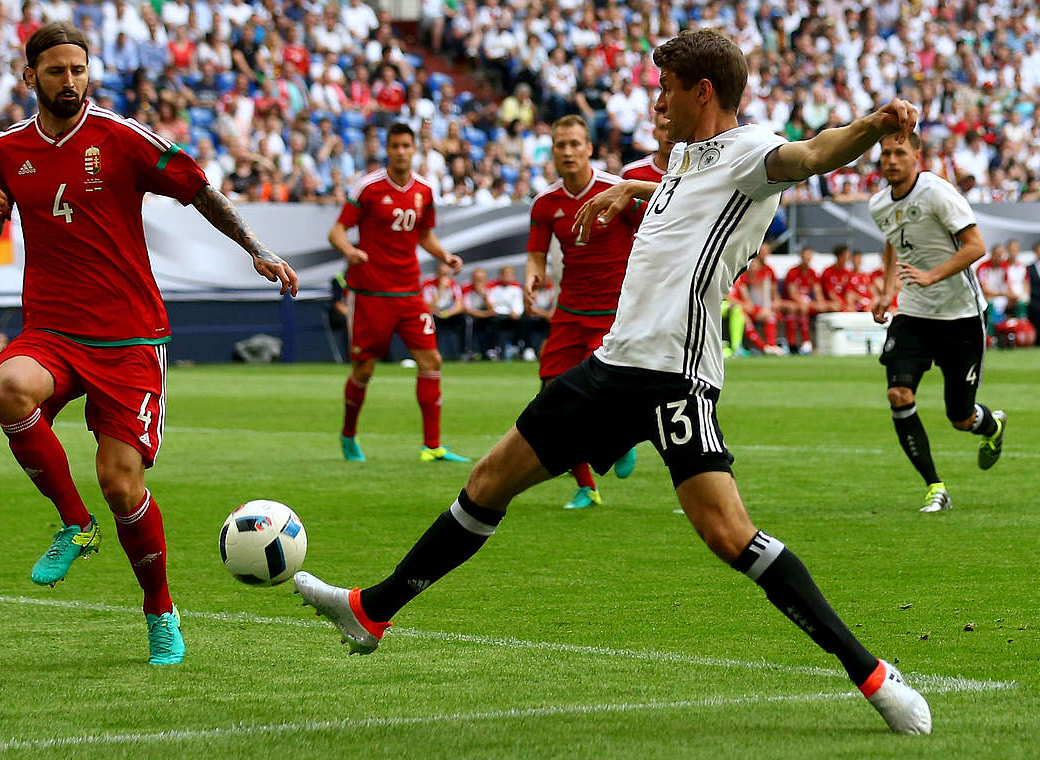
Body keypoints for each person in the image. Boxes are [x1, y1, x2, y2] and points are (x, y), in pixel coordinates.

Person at [295, 29, 932, 735]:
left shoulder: (752, 150)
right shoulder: (687, 162)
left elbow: (812, 154)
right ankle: (371, 612)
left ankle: (874, 676)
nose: (655, 97)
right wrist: (638, 183)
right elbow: (691, 198)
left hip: (672, 379)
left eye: (665, 87)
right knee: (487, 480)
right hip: (612, 366)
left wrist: (874, 126)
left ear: (703, 92)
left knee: (728, 535)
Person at [0, 23, 298, 665]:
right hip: (52, 329)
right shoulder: (6, 149)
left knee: (122, 486)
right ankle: (74, 523)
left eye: (79, 70)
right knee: (9, 387)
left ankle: (160, 613)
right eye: (56, 71)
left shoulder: (120, 137)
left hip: (130, 338)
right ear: (29, 76)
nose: (70, 82)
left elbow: (199, 188)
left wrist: (256, 248)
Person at [869, 132, 1006, 513]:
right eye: (885, 154)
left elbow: (976, 246)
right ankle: (935, 487)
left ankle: (990, 426)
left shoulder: (937, 193)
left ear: (917, 155)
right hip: (913, 314)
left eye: (899, 152)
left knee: (960, 417)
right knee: (899, 394)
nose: (891, 160)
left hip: (961, 316)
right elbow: (893, 241)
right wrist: (885, 289)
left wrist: (933, 275)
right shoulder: (879, 203)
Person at [327, 122, 470, 464]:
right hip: (371, 293)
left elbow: (424, 235)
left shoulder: (424, 189)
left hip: (409, 292)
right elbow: (337, 232)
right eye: (396, 145)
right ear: (387, 149)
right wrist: (349, 251)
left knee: (431, 361)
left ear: (413, 149)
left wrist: (444, 256)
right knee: (364, 370)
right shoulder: (368, 187)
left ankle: (432, 446)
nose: (402, 151)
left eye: (407, 145)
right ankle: (348, 435)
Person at [524, 114, 642, 509]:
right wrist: (533, 277)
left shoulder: (616, 190)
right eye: (561, 145)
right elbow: (536, 255)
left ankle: (621, 439)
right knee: (551, 395)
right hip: (569, 310)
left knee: (595, 391)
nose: (568, 151)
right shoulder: (545, 204)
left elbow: (654, 232)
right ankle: (586, 486)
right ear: (553, 152)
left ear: (589, 148)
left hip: (613, 310)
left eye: (575, 144)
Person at [781, 246, 825, 354]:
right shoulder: (792, 272)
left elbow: (817, 291)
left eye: (809, 256)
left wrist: (821, 303)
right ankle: (798, 343)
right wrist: (804, 303)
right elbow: (792, 294)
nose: (807, 258)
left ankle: (820, 345)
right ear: (801, 256)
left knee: (829, 306)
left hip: (807, 302)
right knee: (798, 308)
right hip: (793, 302)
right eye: (805, 255)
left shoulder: (812, 273)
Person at [422, 263, 466, 360]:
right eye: (442, 274)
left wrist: (447, 313)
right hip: (433, 314)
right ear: (437, 274)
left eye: (446, 274)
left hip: (448, 314)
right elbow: (427, 305)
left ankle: (461, 352)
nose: (444, 277)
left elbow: (459, 305)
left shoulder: (454, 285)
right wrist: (440, 290)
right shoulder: (428, 285)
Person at [620, 113, 673, 183]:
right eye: (663, 128)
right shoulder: (631, 174)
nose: (669, 134)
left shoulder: (691, 174)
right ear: (654, 133)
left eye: (674, 127)